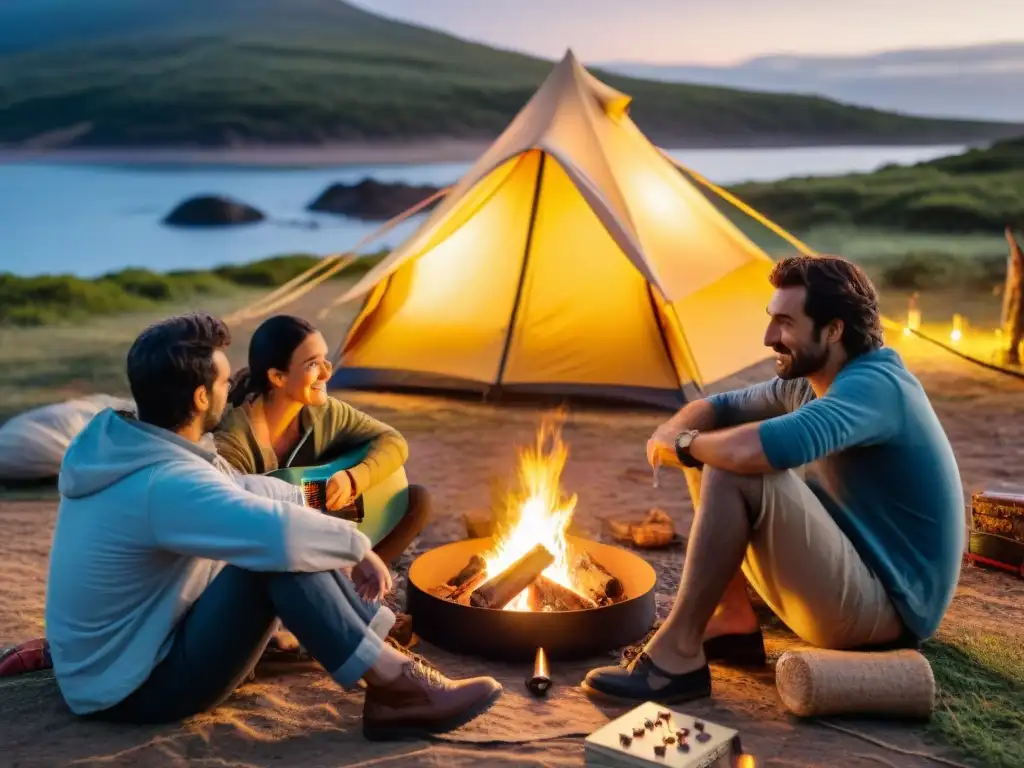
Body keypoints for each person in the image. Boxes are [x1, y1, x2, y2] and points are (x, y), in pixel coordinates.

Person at [44, 313, 501, 736]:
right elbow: (276, 532)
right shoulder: (164, 482)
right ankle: (397, 686)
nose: (233, 388)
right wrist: (356, 547)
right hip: (133, 689)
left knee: (285, 536)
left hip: (128, 661)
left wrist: (320, 501)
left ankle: (389, 674)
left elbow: (245, 488)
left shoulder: (141, 451)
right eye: (224, 381)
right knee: (273, 556)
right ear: (201, 397)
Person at [583, 255, 964, 704]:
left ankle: (676, 659)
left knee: (734, 463)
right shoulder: (813, 380)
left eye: (785, 323)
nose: (768, 338)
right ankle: (731, 621)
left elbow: (755, 451)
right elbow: (720, 406)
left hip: (887, 615)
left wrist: (684, 445)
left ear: (834, 330)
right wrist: (672, 432)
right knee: (718, 448)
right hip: (858, 582)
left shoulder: (875, 387)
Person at [213, 314, 430, 568]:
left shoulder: (324, 412)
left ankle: (357, 576)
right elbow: (228, 524)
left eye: (325, 359)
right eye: (313, 364)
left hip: (319, 528)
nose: (327, 373)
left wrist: (354, 479)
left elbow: (393, 441)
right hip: (273, 549)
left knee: (416, 500)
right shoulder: (233, 443)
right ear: (278, 377)